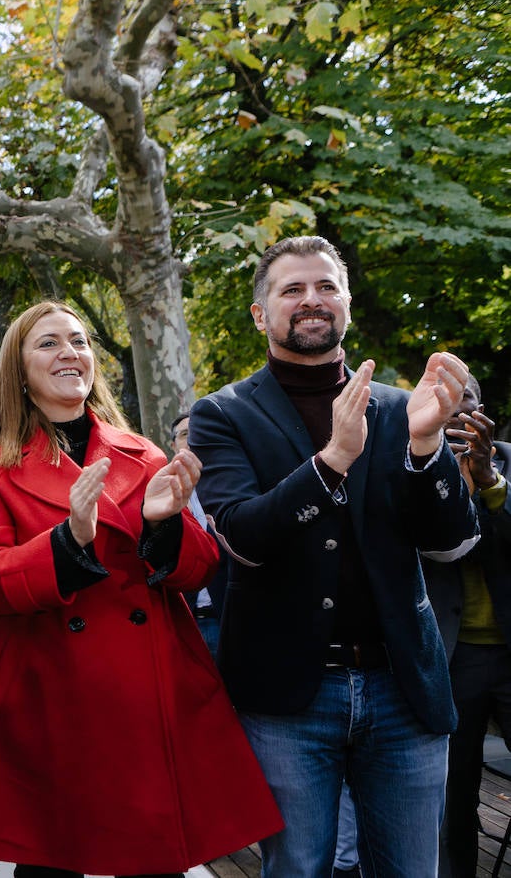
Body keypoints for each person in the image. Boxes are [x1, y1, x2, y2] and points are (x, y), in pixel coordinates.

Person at [0, 301, 281, 876]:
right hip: (50, 697)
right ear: (19, 369)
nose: (70, 353)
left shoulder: (144, 451)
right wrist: (68, 542)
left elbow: (200, 571)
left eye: (79, 342)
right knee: (52, 862)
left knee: (154, 859)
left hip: (144, 699)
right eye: (49, 343)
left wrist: (163, 524)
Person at [190, 235, 479, 877]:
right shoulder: (222, 414)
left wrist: (428, 446)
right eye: (292, 289)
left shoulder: (404, 408)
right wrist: (333, 461)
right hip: (288, 694)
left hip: (403, 687)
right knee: (298, 868)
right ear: (262, 314)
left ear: (346, 304)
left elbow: (453, 542)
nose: (311, 300)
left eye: (326, 287)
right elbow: (242, 537)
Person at [431, 375, 511, 878]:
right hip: (452, 654)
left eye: (469, 407)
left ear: (485, 412)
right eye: (447, 409)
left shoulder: (507, 459)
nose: (460, 420)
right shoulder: (414, 466)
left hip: (509, 648)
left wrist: (490, 482)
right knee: (453, 788)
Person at [169, 412, 224, 655]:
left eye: (198, 431)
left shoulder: (230, 483)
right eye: (184, 434)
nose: (192, 439)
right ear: (173, 445)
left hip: (231, 617)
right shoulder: (163, 493)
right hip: (186, 622)